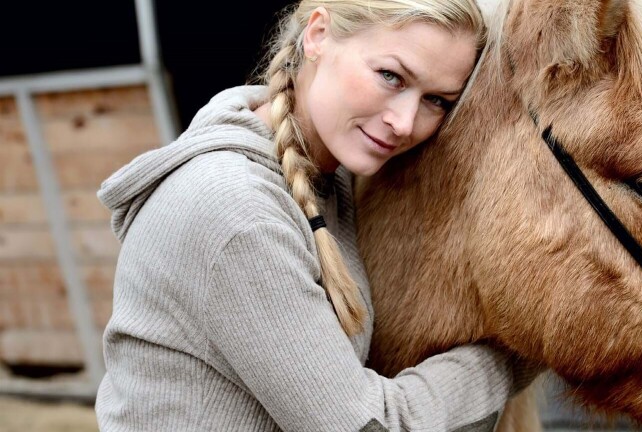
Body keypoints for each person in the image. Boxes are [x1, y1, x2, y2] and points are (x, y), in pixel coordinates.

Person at [94, 1, 538, 430]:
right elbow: (369, 427)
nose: (405, 122)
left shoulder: (330, 177)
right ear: (318, 35)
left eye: (437, 101)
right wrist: (522, 348)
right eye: (391, 76)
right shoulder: (237, 214)